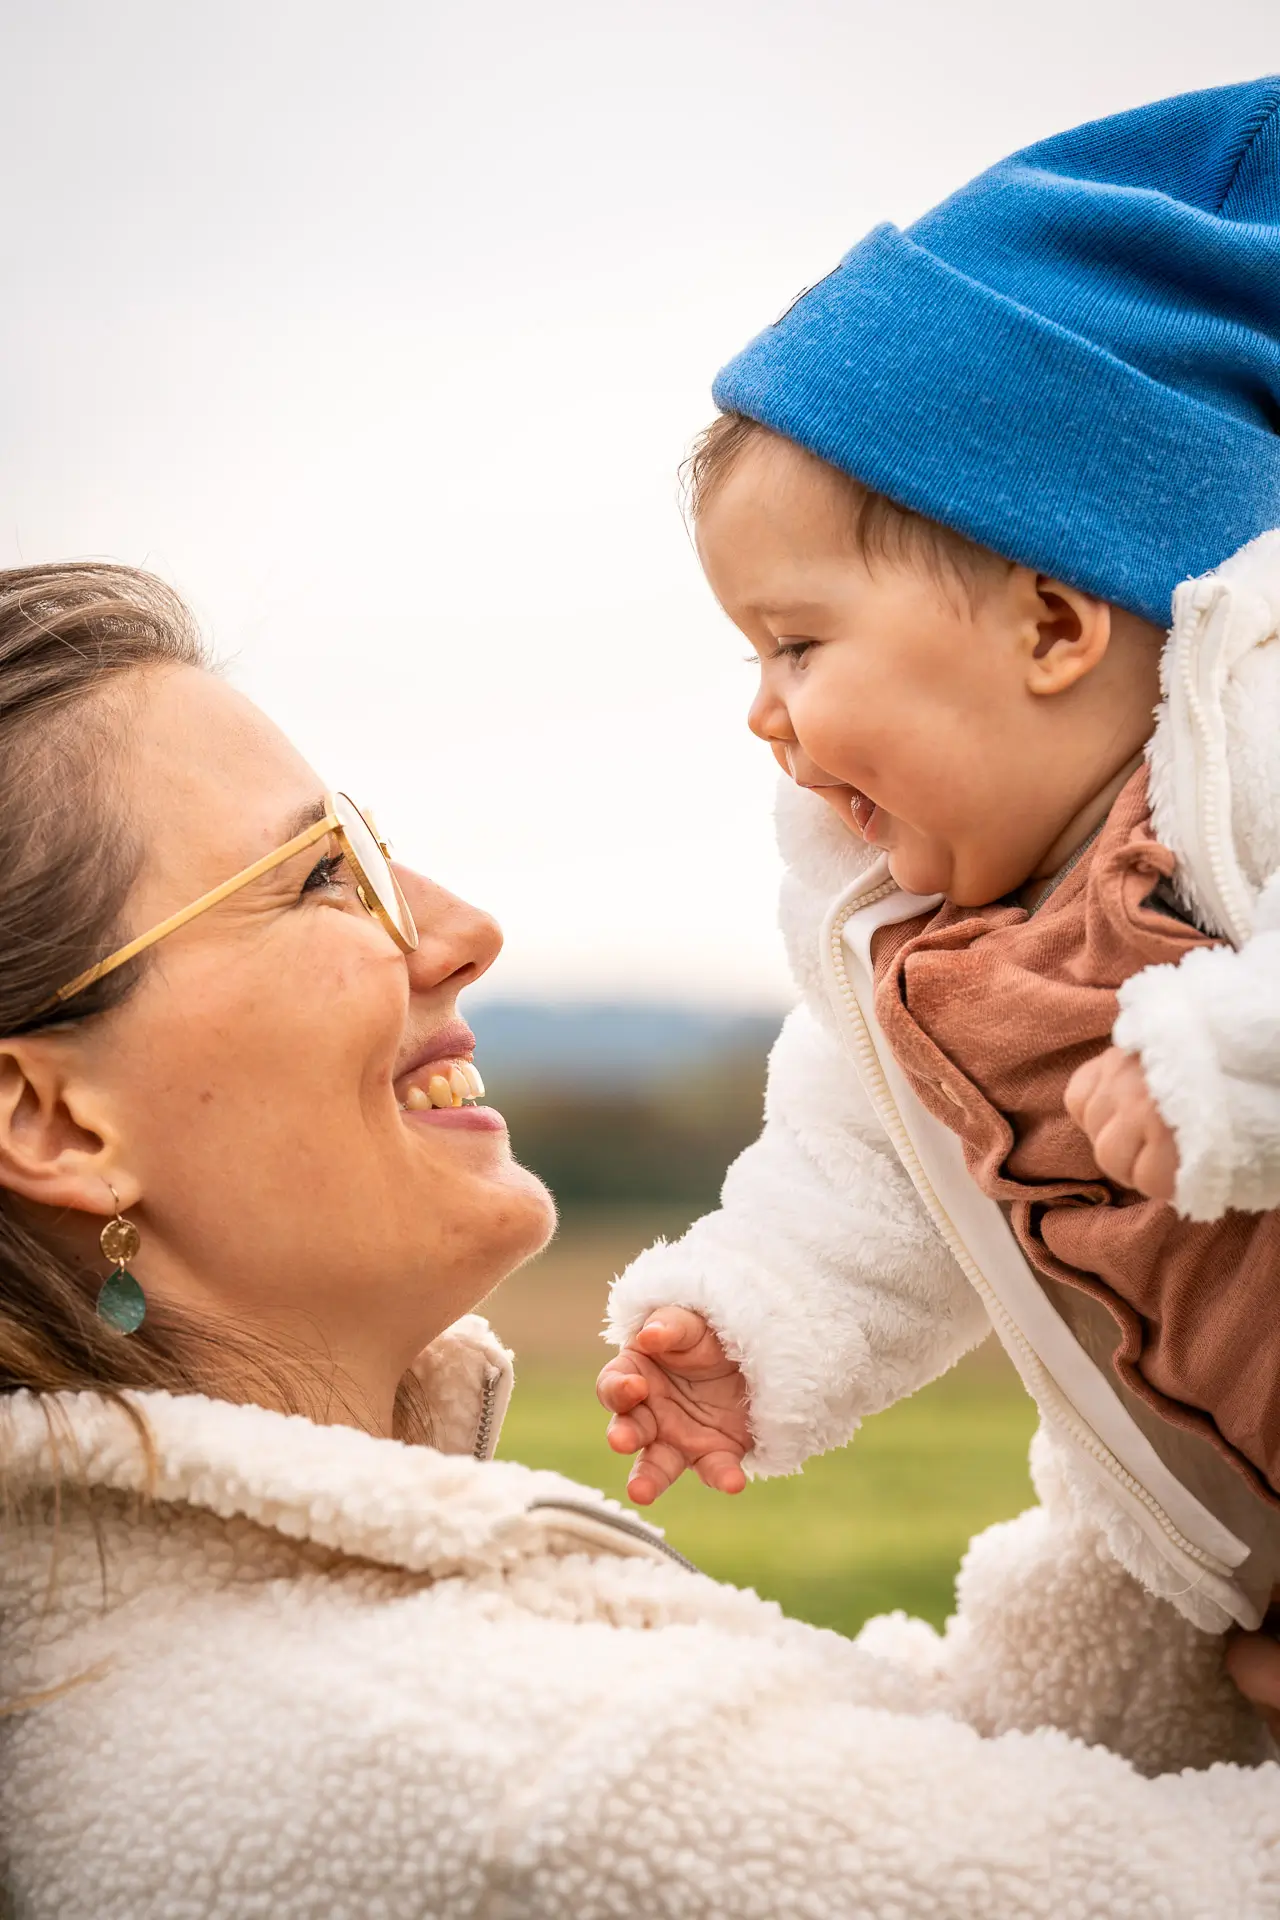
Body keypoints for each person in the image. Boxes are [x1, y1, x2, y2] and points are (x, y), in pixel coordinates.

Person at [1, 560, 1278, 1919]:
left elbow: (949, 1779)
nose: (464, 931)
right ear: (55, 1123)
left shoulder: (248, 1682)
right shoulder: (496, 1784)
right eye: (322, 874)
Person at [599, 76, 1280, 1663]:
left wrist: (1241, 1068)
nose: (761, 712)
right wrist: (756, 1316)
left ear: (1053, 624)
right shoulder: (914, 947)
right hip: (1202, 1544)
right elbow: (860, 1176)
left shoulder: (1251, 779)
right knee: (1041, 1694)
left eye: (797, 641)